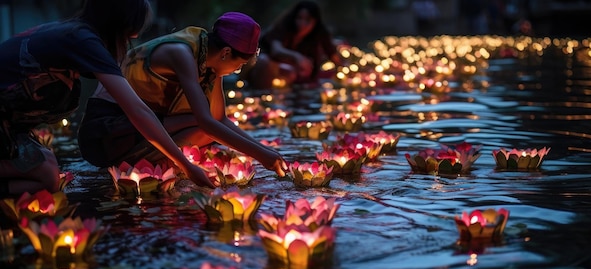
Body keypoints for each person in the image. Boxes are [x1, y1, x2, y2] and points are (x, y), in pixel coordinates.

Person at [0, 0, 215, 198]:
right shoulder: (83, 40)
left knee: (47, 170)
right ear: (120, 23)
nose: (132, 41)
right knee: (48, 178)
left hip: (10, 126)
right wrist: (187, 165)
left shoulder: (73, 32)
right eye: (132, 32)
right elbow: (138, 111)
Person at [77, 12, 288, 179]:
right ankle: (144, 167)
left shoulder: (211, 62)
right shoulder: (181, 53)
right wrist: (261, 156)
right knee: (202, 130)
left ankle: (159, 164)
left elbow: (219, 118)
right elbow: (205, 121)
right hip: (105, 132)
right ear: (225, 53)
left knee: (208, 132)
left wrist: (266, 153)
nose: (237, 70)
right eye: (240, 65)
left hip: (141, 126)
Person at [243, 0, 344, 89]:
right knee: (265, 62)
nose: (302, 23)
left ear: (315, 22)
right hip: (267, 69)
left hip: (294, 77)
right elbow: (276, 50)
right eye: (299, 18)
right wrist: (297, 57)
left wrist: (344, 70)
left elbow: (333, 56)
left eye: (307, 20)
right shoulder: (283, 27)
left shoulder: (320, 33)